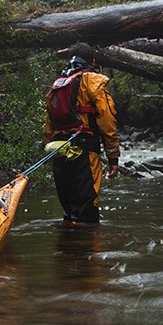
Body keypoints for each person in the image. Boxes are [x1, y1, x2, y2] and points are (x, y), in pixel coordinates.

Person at [44, 55, 121, 224]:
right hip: (84, 153)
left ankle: (69, 248)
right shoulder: (94, 81)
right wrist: (113, 157)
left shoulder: (57, 86)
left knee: (70, 213)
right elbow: (107, 120)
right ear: (93, 61)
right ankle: (87, 248)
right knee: (86, 215)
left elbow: (49, 125)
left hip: (60, 152)